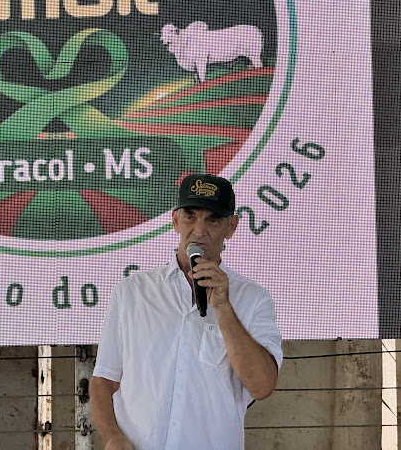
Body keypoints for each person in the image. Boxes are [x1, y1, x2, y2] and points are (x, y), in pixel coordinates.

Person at [90, 173, 283, 450]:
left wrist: (224, 308)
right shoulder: (132, 291)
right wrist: (111, 436)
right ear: (175, 220)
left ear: (231, 227)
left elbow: (262, 387)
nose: (199, 230)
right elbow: (103, 381)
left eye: (213, 220)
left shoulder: (253, 299)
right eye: (190, 217)